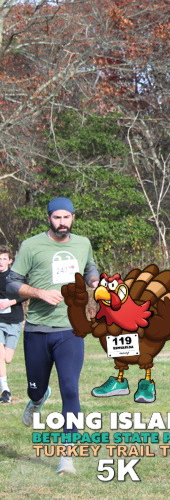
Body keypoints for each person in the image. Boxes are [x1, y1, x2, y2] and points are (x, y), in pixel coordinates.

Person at [5, 197, 99, 475]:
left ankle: (67, 456)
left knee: (70, 389)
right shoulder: (31, 246)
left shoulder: (82, 243)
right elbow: (12, 283)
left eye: (66, 217)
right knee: (35, 388)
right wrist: (39, 293)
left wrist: (94, 281)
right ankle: (37, 399)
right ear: (49, 218)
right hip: (37, 329)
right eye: (57, 217)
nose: (62, 222)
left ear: (73, 218)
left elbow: (90, 266)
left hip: (71, 328)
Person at [0, 245, 24, 403]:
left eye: (4, 259)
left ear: (10, 261)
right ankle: (5, 390)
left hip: (14, 320)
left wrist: (10, 302)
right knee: (0, 355)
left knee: (7, 359)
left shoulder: (14, 277)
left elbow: (25, 294)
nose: (0, 261)